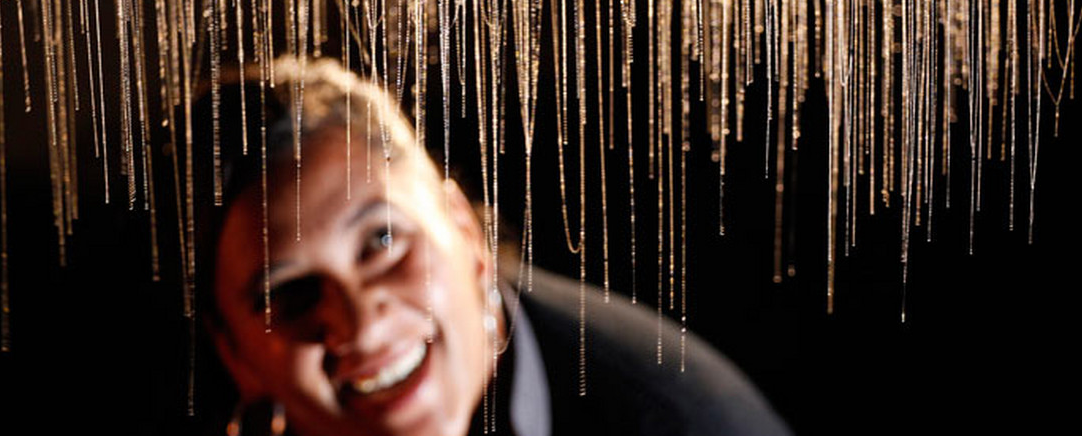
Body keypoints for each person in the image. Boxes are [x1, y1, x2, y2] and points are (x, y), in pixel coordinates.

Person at [198, 55, 792, 436]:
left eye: (382, 240)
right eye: (288, 293)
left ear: (465, 231)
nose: (361, 325)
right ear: (236, 355)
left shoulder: (682, 423)